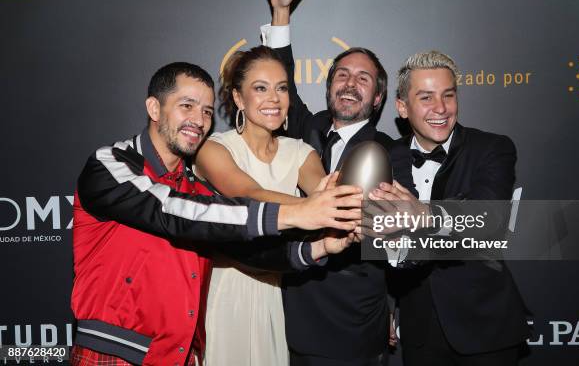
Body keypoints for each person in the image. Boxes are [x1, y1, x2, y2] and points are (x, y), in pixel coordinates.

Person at [70, 62, 363, 366]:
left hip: (180, 355)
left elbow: (246, 252)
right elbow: (171, 210)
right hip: (117, 353)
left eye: (207, 112)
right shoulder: (110, 165)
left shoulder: (195, 189)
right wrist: (300, 210)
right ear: (154, 109)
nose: (198, 120)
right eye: (187, 106)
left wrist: (321, 246)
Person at [261, 0, 403, 366]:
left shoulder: (393, 153)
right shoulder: (305, 128)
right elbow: (281, 79)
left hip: (353, 324)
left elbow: (398, 243)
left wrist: (392, 306)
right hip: (290, 311)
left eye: (363, 78)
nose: (350, 83)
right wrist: (280, 13)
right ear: (328, 88)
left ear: (377, 98)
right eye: (342, 74)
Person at [195, 46, 355, 365]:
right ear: (239, 98)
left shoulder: (299, 152)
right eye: (260, 88)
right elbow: (250, 194)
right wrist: (315, 206)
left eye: (282, 88)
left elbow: (327, 194)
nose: (274, 98)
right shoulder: (213, 149)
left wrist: (355, 203)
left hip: (273, 293)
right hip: (223, 293)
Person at [371, 51, 530, 366]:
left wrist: (424, 213)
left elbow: (489, 218)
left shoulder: (492, 148)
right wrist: (386, 306)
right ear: (402, 107)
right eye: (426, 97)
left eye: (448, 95)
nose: (440, 108)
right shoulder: (387, 157)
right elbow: (380, 243)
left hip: (485, 327)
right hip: (419, 330)